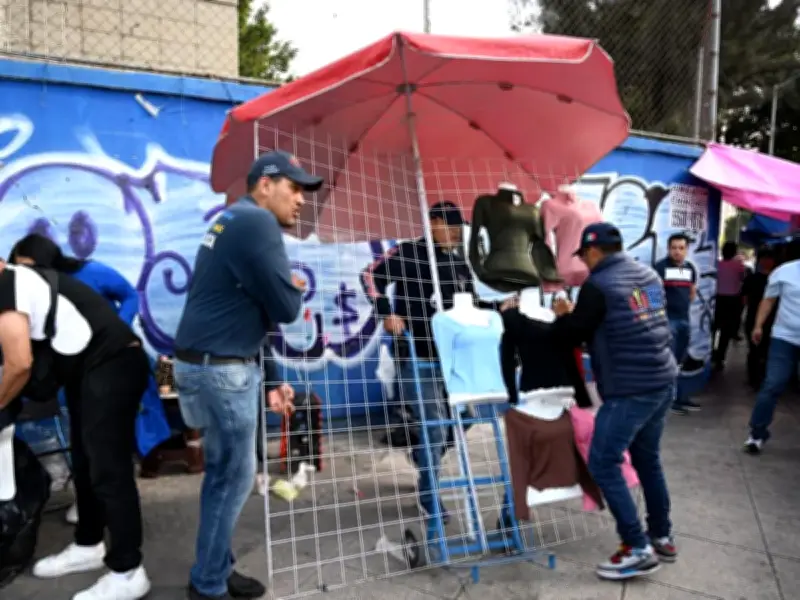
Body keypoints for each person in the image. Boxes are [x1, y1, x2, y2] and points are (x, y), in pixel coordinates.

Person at [173, 150, 319, 600]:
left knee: (221, 475)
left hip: (201, 364)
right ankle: (209, 585)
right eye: (293, 189)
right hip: (223, 372)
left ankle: (215, 568)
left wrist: (273, 377)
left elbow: (249, 309)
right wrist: (291, 287)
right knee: (234, 478)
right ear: (265, 184)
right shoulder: (258, 224)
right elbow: (287, 310)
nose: (301, 201)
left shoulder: (229, 220)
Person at [0, 261, 151, 599]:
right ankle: (88, 544)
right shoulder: (18, 283)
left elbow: (19, 362)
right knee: (85, 461)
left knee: (109, 471)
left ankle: (128, 571)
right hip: (88, 370)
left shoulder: (10, 286)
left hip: (114, 364)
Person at [8, 234, 172, 524]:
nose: (25, 275)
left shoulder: (88, 273)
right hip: (75, 367)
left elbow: (130, 294)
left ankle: (115, 532)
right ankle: (91, 517)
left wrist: (116, 329)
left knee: (109, 449)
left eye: (29, 267)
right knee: (86, 443)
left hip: (108, 361)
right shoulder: (31, 289)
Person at [548, 222, 678, 581]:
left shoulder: (598, 286)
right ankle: (661, 535)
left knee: (604, 462)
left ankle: (637, 547)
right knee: (647, 459)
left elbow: (574, 333)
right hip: (662, 382)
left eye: (584, 256)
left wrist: (562, 316)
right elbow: (642, 321)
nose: (585, 263)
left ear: (592, 251)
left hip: (630, 389)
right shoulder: (648, 275)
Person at [360, 201, 499, 522]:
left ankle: (423, 455)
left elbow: (474, 303)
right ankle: (428, 495)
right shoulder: (408, 253)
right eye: (449, 226)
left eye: (457, 228)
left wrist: (496, 312)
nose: (454, 233)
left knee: (465, 419)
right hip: (416, 354)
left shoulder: (459, 262)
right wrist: (387, 312)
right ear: (433, 222)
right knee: (434, 427)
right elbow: (369, 275)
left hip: (454, 358)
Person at [744, 240, 800, 454]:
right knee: (772, 384)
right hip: (783, 338)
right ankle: (756, 434)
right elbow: (768, 301)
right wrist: (758, 325)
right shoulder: (784, 272)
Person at [654, 232, 700, 416]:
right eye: (674, 248)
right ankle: (669, 401)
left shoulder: (690, 269)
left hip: (684, 320)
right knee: (668, 362)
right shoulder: (659, 268)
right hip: (667, 322)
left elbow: (692, 292)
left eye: (681, 248)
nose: (677, 252)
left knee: (680, 362)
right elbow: (646, 294)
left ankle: (679, 397)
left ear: (687, 250)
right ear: (668, 249)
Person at [741, 249, 777, 390]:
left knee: (766, 351)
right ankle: (754, 379)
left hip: (772, 320)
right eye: (764, 258)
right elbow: (744, 297)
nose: (767, 261)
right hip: (752, 318)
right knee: (754, 350)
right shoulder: (752, 278)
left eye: (769, 258)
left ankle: (762, 378)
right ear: (760, 261)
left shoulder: (777, 278)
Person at [712, 241, 746, 370]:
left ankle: (709, 352)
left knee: (713, 327)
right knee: (726, 332)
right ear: (734, 252)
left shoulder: (716, 265)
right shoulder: (739, 266)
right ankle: (720, 358)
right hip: (732, 301)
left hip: (717, 299)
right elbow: (742, 279)